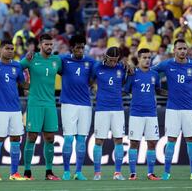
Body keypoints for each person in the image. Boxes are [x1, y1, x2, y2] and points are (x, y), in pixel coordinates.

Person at [152, 39, 192, 180]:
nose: (183, 51)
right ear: (174, 50)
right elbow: (150, 72)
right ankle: (166, 173)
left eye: (185, 48)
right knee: (171, 139)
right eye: (180, 48)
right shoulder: (167, 64)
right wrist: (158, 88)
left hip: (189, 109)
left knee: (191, 139)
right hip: (172, 109)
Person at [20, 34, 62, 180]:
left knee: (50, 137)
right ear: (40, 45)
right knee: (31, 136)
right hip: (35, 103)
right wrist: (23, 83)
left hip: (50, 103)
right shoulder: (32, 58)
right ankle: (27, 172)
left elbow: (68, 73)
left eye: (51, 44)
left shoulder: (56, 60)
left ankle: (49, 172)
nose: (49, 47)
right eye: (46, 44)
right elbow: (17, 68)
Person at [124, 48, 166, 181]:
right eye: (145, 57)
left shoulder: (154, 74)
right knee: (134, 143)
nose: (147, 60)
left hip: (151, 114)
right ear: (139, 59)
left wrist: (172, 94)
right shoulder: (132, 74)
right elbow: (126, 90)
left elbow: (158, 89)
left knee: (152, 143)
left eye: (149, 57)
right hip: (136, 113)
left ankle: (150, 173)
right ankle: (132, 173)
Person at [60, 36, 96, 181]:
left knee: (81, 139)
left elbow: (95, 76)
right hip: (68, 104)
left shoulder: (90, 62)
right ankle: (66, 171)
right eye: (78, 47)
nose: (81, 50)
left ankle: (78, 172)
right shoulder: (63, 60)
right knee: (68, 139)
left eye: (83, 47)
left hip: (85, 105)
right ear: (72, 48)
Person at [0, 40, 26, 181]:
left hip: (15, 109)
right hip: (0, 109)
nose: (10, 51)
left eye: (12, 48)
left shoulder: (17, 65)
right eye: (7, 48)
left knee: (16, 138)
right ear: (0, 49)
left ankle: (14, 173)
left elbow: (23, 84)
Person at [92, 47, 126, 181]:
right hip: (102, 108)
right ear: (106, 57)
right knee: (99, 140)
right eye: (111, 60)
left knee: (119, 139)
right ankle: (97, 173)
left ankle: (117, 173)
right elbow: (89, 81)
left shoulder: (122, 68)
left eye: (115, 61)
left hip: (118, 108)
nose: (113, 63)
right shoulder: (97, 67)